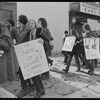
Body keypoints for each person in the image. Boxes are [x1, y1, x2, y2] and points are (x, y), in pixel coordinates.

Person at [27, 19, 45, 98]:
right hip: (31, 55)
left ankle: (39, 91)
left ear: (35, 24)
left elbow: (46, 38)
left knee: (34, 74)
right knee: (35, 74)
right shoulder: (29, 33)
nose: (30, 25)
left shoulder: (39, 31)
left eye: (32, 23)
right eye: (29, 24)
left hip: (38, 54)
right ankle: (42, 90)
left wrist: (42, 41)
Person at [17, 15, 32, 98]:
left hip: (27, 52)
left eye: (19, 19)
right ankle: (30, 85)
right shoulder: (19, 28)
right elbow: (19, 39)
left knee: (22, 71)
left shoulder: (28, 29)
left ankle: (24, 89)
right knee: (24, 70)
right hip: (21, 52)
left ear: (22, 20)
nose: (17, 21)